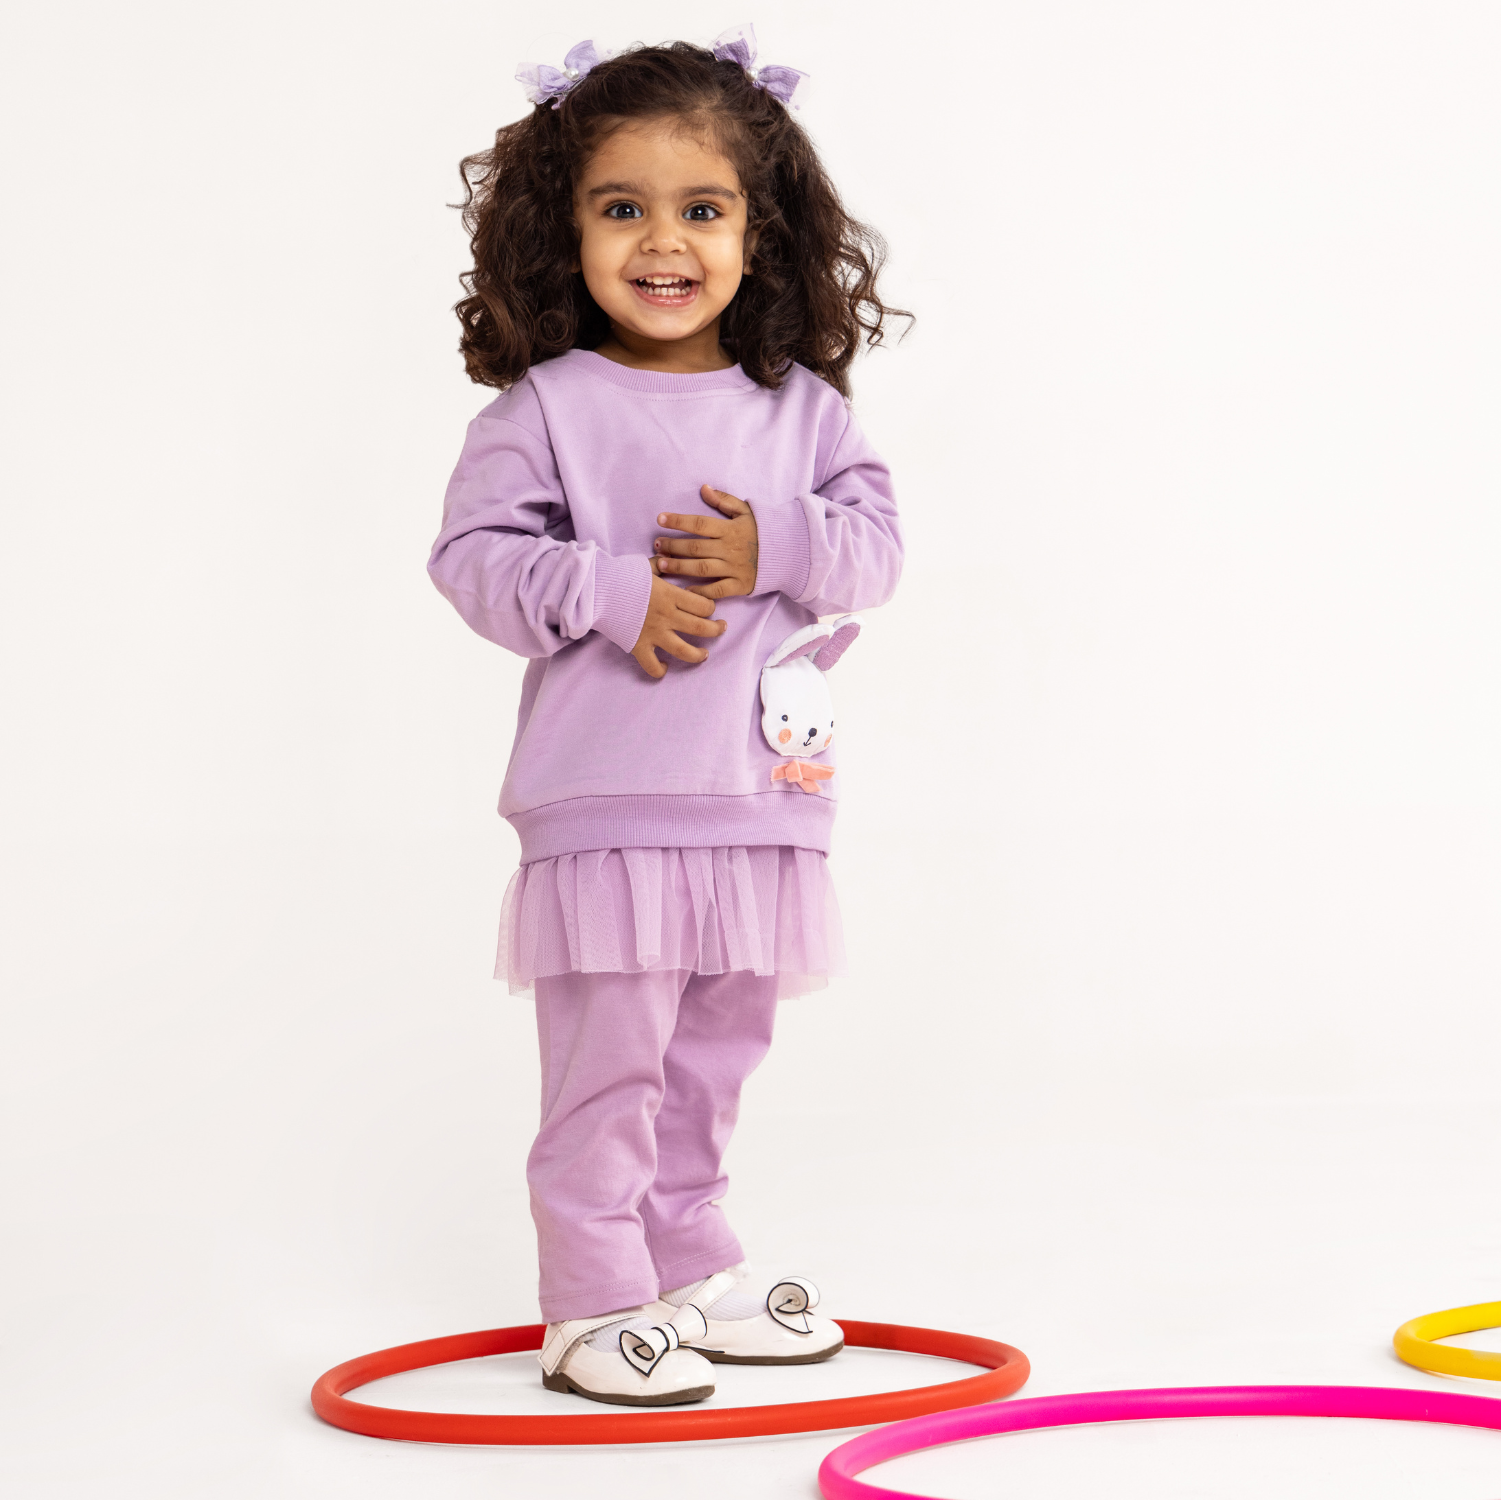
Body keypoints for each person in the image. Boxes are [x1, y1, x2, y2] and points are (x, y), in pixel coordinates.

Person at [428, 25, 906, 1407]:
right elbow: (472, 562)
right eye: (621, 208)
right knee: (610, 1070)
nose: (663, 243)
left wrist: (778, 547)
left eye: (702, 209)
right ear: (563, 228)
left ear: (760, 231)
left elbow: (879, 551)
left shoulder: (805, 414)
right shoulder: (546, 409)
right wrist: (610, 590)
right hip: (609, 807)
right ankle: (590, 1300)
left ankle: (689, 1262)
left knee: (713, 1059)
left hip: (759, 804)